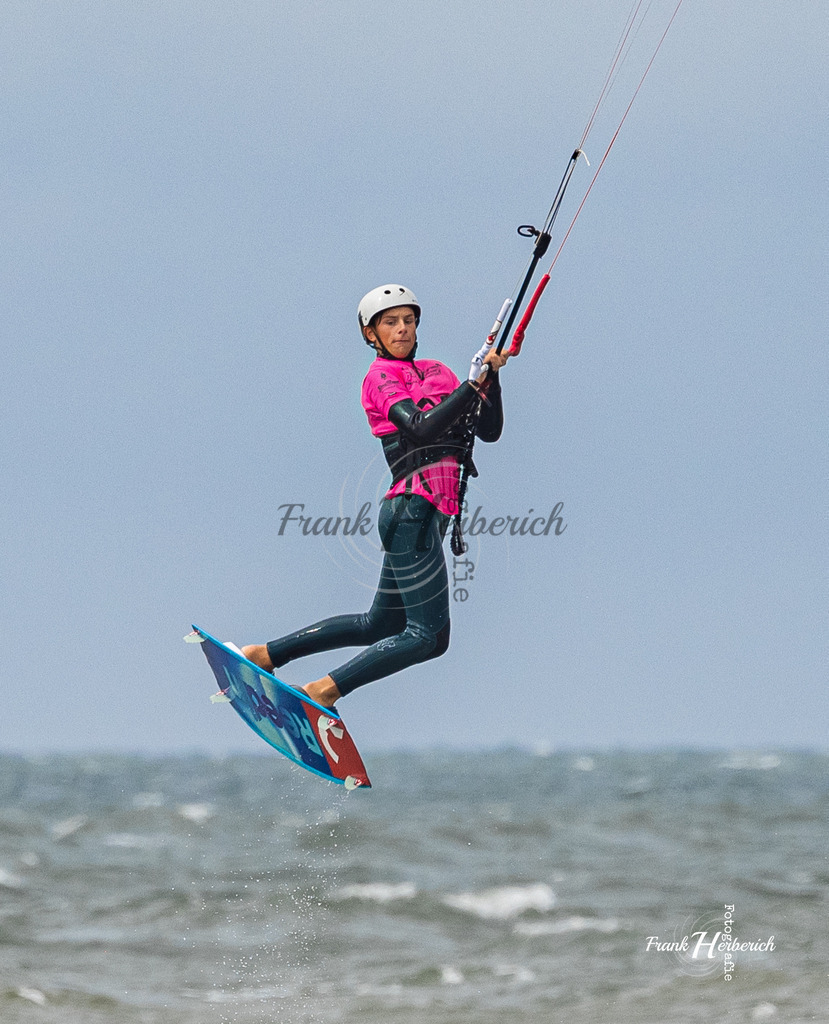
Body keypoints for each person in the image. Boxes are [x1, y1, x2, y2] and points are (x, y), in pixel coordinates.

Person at [242, 284, 507, 708]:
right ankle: (322, 691)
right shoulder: (379, 378)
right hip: (411, 512)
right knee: (426, 637)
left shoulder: (440, 371)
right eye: (390, 322)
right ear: (371, 334)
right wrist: (470, 388)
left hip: (430, 517)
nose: (402, 329)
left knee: (379, 623)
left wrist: (489, 383)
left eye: (408, 320)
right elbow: (420, 427)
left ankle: (264, 655)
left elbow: (488, 432)